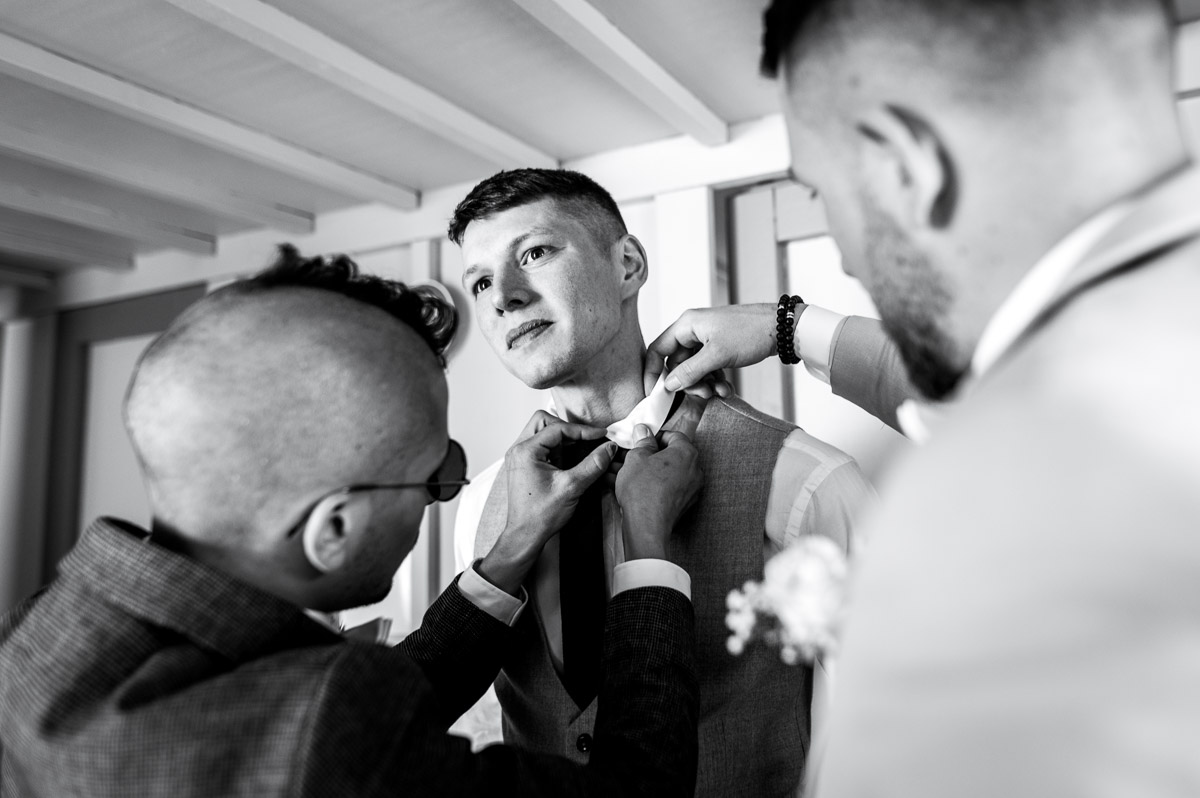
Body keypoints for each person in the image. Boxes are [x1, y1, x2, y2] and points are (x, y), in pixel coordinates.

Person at [646, 1, 1200, 796]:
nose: (844, 252)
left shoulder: (985, 524)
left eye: (823, 193)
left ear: (905, 164)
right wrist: (788, 326)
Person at [0, 246, 705, 797]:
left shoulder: (34, 632)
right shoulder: (321, 735)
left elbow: (345, 712)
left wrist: (511, 547)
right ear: (332, 531)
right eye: (433, 476)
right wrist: (647, 547)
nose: (445, 493)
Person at [448, 168, 877, 798]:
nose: (503, 298)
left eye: (534, 253)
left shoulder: (804, 480)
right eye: (480, 282)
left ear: (627, 264)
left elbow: (878, 735)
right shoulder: (480, 506)